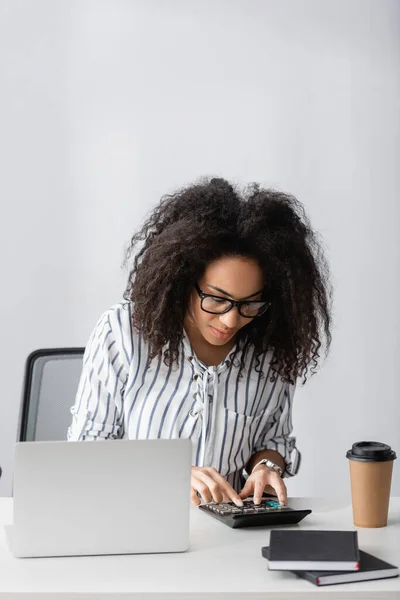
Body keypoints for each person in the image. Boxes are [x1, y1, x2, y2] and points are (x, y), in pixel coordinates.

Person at [68, 177, 332, 507]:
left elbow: (270, 439)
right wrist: (172, 475)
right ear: (183, 278)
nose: (231, 320)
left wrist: (266, 467)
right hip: (135, 519)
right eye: (217, 299)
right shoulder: (124, 332)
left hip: (228, 532)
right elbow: (87, 448)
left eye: (249, 303)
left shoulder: (269, 350)